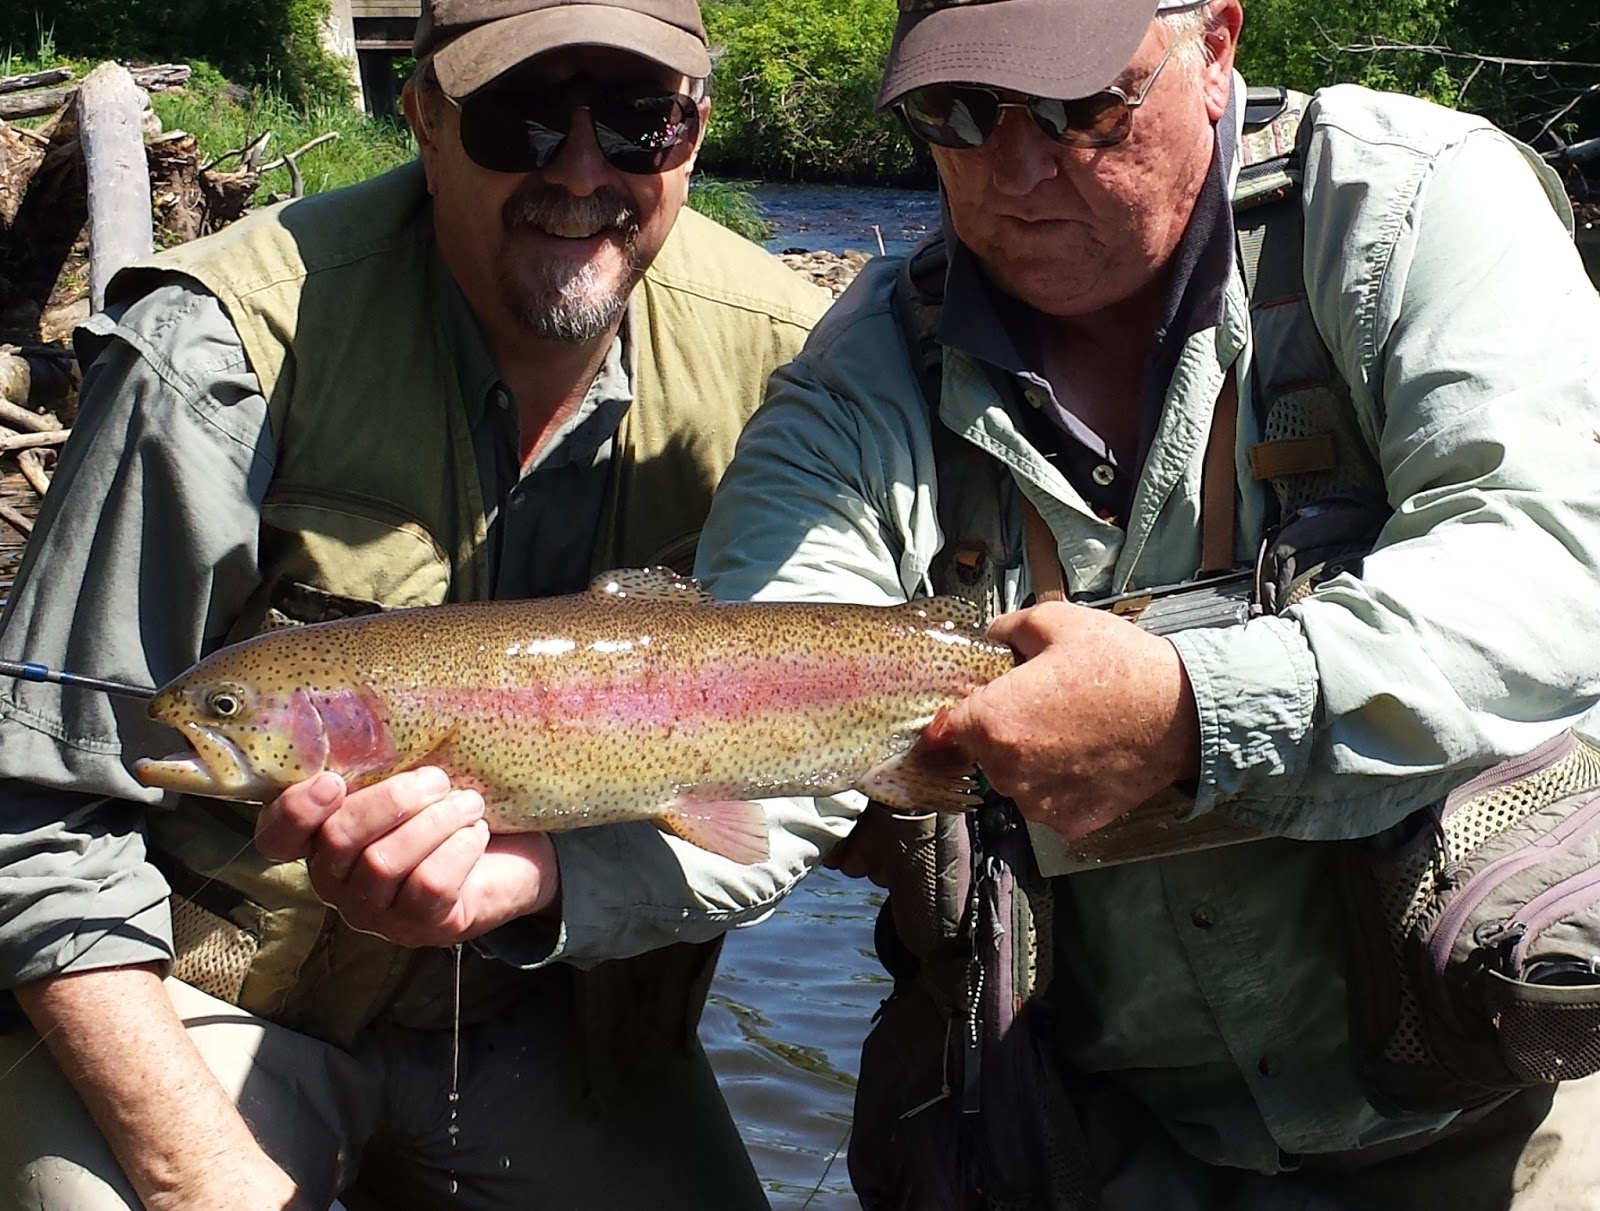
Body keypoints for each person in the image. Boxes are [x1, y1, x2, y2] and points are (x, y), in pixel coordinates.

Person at [691, 0, 1600, 1207]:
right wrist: (543, 879)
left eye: (1080, 105)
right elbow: (736, 695)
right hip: (1101, 1139)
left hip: (1509, 1103)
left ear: (1214, 49)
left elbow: (1547, 568)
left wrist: (1191, 711)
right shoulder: (861, 374)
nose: (1018, 167)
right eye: (956, 113)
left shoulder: (1416, 207)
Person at [0, 1, 830, 1208]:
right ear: (424, 118)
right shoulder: (219, 348)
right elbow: (32, 811)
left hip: (558, 1025)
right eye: (522, 118)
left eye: (640, 120)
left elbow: (852, 762)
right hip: (216, 999)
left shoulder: (788, 361)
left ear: (694, 132)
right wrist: (196, 1169)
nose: (581, 170)